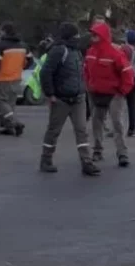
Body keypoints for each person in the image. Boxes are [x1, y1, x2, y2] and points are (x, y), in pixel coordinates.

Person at [39, 22, 101, 176]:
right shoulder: (59, 51)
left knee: (82, 131)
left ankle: (86, 162)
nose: (79, 37)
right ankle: (46, 159)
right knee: (54, 131)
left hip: (78, 98)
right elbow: (45, 73)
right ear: (71, 36)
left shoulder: (76, 51)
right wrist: (50, 94)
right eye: (76, 34)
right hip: (61, 99)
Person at [85, 22, 134, 167]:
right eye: (92, 34)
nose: (92, 37)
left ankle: (122, 153)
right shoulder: (90, 52)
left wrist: (123, 90)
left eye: (95, 35)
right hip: (96, 92)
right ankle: (97, 150)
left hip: (114, 93)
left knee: (117, 123)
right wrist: (89, 86)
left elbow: (127, 73)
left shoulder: (115, 53)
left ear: (102, 36)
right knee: (96, 121)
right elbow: (86, 70)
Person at [0, 22, 32, 137]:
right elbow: (30, 61)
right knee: (10, 103)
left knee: (0, 101)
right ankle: (9, 128)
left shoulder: (0, 45)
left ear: (4, 31)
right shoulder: (23, 45)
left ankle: (15, 123)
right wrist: (20, 68)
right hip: (16, 77)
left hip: (3, 77)